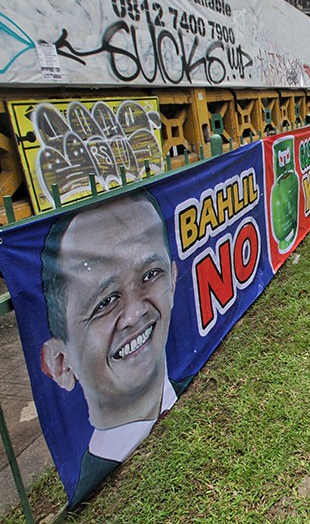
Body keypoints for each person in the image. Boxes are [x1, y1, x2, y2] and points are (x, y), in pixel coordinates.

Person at [40, 192, 180, 505]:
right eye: (104, 302)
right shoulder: (88, 483)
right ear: (61, 362)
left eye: (150, 275)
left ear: (173, 281)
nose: (135, 314)